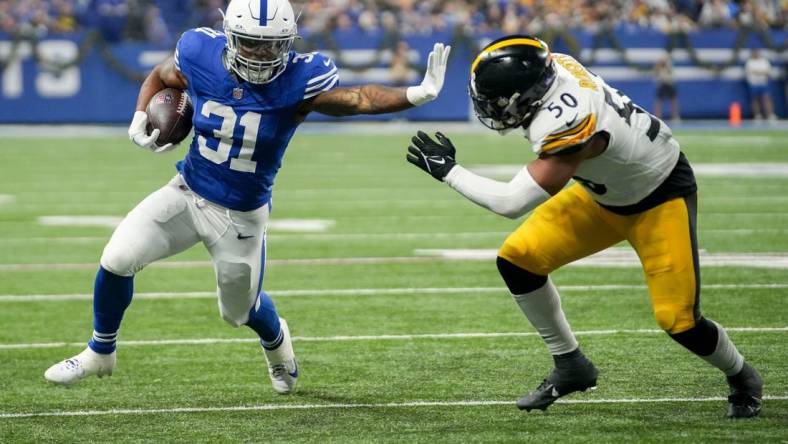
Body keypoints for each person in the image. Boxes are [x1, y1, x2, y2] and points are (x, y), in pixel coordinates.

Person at [44, 0, 451, 395]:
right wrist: (138, 117)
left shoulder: (301, 77)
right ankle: (100, 351)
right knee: (117, 259)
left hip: (240, 217)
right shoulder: (199, 51)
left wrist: (416, 93)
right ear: (229, 35)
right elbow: (161, 75)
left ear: (289, 40)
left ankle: (276, 341)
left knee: (239, 313)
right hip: (187, 191)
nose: (260, 53)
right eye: (251, 42)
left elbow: (359, 98)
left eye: (272, 43)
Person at [406, 35, 762, 419]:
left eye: (496, 101)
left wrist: (450, 172)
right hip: (604, 193)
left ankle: (743, 377)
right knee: (518, 259)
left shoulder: (567, 121)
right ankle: (570, 364)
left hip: (657, 197)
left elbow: (510, 203)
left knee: (678, 320)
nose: (491, 109)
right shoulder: (553, 66)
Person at [744, 49, 777, 121]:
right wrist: (760, 72)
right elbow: (748, 72)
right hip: (753, 84)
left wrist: (757, 72)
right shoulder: (750, 62)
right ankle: (757, 115)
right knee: (754, 100)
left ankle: (770, 115)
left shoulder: (764, 61)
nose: (756, 54)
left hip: (763, 83)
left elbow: (768, 72)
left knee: (767, 98)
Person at [653, 54, 680, 122]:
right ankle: (657, 117)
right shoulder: (659, 67)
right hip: (662, 84)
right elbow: (655, 75)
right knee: (659, 101)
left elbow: (672, 76)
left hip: (669, 84)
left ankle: (675, 116)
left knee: (673, 101)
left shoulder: (669, 66)